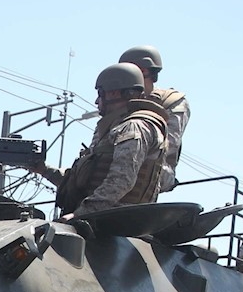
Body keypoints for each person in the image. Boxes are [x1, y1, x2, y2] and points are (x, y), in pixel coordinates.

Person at [24, 62, 168, 219]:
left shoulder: (134, 126)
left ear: (114, 94)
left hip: (115, 222)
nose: (96, 101)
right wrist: (43, 170)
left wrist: (81, 214)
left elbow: (121, 180)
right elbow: (84, 183)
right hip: (101, 219)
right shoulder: (114, 128)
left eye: (101, 94)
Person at [119, 45, 192, 192]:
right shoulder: (120, 100)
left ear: (144, 71)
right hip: (119, 167)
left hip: (154, 170)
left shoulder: (172, 102)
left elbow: (166, 148)